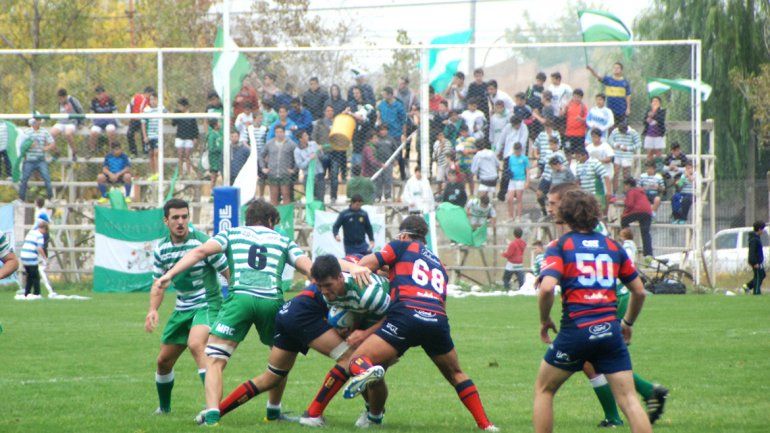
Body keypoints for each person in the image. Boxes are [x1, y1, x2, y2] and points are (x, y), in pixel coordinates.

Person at [153, 199, 312, 427]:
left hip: (240, 300)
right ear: (269, 221)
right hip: (271, 301)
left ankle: (212, 414)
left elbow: (200, 251)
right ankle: (273, 410)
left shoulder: (232, 233)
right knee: (280, 359)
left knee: (215, 360)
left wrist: (170, 274)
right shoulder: (283, 240)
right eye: (274, 223)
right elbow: (309, 268)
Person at [338, 216, 499, 432]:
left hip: (406, 314)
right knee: (456, 373)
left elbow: (364, 266)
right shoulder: (439, 263)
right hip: (437, 319)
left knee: (357, 359)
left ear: (404, 235)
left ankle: (371, 371)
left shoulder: (400, 244)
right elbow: (440, 298)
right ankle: (486, 424)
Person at [209, 256, 392, 428]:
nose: (325, 291)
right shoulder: (354, 280)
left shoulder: (358, 281)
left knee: (271, 377)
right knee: (350, 359)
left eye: (328, 285)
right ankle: (314, 414)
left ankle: (214, 413)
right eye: (321, 286)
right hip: (303, 314)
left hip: (288, 312)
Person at [543, 184, 669, 428]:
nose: (549, 207)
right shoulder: (591, 231)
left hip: (607, 299)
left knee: (588, 358)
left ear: (567, 205)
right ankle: (642, 395)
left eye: (553, 203)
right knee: (598, 359)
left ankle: (621, 409)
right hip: (609, 298)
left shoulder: (575, 237)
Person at [144, 199, 230, 414]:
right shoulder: (161, 249)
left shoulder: (202, 243)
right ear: (166, 221)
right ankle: (164, 409)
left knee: (196, 344)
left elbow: (227, 271)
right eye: (175, 217)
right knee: (163, 361)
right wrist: (152, 310)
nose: (181, 222)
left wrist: (237, 296)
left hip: (208, 304)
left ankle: (213, 406)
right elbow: (159, 284)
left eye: (184, 216)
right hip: (182, 308)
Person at [18, 118, 54, 201]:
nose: (38, 122)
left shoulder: (44, 131)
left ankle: (50, 197)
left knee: (47, 178)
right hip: (29, 160)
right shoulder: (27, 132)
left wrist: (46, 148)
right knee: (24, 179)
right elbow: (21, 144)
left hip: (40, 160)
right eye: (37, 121)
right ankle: (21, 198)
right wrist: (28, 145)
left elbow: (52, 143)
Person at [261, 125, 297, 205]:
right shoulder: (269, 143)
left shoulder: (291, 144)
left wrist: (294, 169)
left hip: (285, 174)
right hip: (273, 173)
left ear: (284, 133)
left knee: (286, 195)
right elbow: (261, 156)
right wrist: (263, 168)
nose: (279, 134)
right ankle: (274, 215)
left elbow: (297, 156)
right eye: (277, 132)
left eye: (281, 132)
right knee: (273, 196)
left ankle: (286, 215)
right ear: (274, 133)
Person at [376, 87, 407, 180]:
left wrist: (404, 134)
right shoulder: (382, 105)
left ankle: (402, 175)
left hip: (396, 134)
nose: (383, 96)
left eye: (384, 94)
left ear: (390, 95)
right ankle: (386, 175)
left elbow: (404, 121)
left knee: (398, 155)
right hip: (384, 134)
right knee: (385, 155)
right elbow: (378, 116)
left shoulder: (399, 106)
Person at [620, 178, 654, 257]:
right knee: (645, 233)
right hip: (647, 212)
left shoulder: (631, 191)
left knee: (624, 221)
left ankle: (627, 240)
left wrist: (624, 214)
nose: (624, 188)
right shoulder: (641, 191)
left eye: (625, 185)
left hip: (638, 211)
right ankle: (648, 255)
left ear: (628, 185)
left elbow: (630, 205)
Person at [313, 105, 340, 201]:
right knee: (321, 175)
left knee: (334, 176)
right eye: (328, 111)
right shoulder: (319, 123)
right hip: (322, 153)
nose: (330, 112)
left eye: (332, 110)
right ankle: (320, 197)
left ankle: (333, 197)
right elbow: (314, 138)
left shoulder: (337, 123)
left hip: (335, 153)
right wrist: (318, 148)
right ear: (324, 112)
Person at [51, 88, 84, 160]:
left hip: (71, 122)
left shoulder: (72, 100)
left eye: (61, 98)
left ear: (65, 96)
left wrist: (81, 123)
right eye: (59, 98)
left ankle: (74, 151)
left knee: (68, 134)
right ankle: (56, 151)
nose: (60, 100)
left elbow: (80, 110)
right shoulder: (60, 102)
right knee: (52, 133)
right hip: (61, 122)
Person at [347, 86, 376, 167]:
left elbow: (364, 118)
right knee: (355, 152)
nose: (355, 95)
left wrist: (351, 114)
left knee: (364, 153)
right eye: (354, 93)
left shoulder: (368, 104)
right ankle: (355, 172)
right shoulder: (351, 104)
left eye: (357, 93)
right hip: (355, 133)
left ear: (361, 93)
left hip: (366, 132)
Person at [609, 121, 642, 192]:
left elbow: (638, 144)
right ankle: (614, 191)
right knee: (615, 173)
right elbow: (610, 140)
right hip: (617, 154)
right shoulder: (615, 131)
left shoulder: (633, 132)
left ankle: (626, 192)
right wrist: (615, 145)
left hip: (627, 155)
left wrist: (628, 148)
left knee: (626, 174)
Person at [19, 220, 48, 300]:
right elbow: (39, 248)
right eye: (45, 230)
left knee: (30, 276)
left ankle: (27, 293)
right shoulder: (40, 235)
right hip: (30, 256)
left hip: (23, 255)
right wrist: (45, 258)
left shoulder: (31, 232)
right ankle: (37, 293)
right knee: (36, 276)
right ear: (44, 228)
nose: (45, 232)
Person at [171, 97, 199, 178]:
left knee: (187, 155)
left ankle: (189, 173)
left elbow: (195, 127)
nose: (179, 107)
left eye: (180, 106)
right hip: (180, 137)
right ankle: (181, 174)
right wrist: (175, 115)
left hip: (188, 138)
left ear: (185, 106)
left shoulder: (191, 115)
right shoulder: (178, 114)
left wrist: (195, 137)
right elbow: (173, 124)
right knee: (180, 155)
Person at [294, 131, 324, 201]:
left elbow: (321, 156)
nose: (307, 136)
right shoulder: (297, 151)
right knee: (311, 198)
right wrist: (309, 158)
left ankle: (320, 211)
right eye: (305, 135)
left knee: (320, 199)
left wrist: (320, 150)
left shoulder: (313, 144)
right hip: (308, 176)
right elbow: (301, 166)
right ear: (300, 139)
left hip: (319, 173)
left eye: (307, 135)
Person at [142, 92, 164, 180]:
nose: (153, 101)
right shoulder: (146, 110)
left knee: (156, 153)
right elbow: (143, 124)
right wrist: (145, 136)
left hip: (158, 136)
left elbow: (167, 115)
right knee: (151, 154)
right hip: (150, 136)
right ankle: (153, 173)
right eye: (151, 99)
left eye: (154, 99)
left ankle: (159, 173)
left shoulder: (161, 108)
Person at [586, 128, 615, 196]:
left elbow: (610, 158)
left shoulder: (605, 146)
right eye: (592, 136)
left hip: (606, 170)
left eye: (595, 136)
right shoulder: (589, 147)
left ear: (599, 137)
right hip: (593, 171)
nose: (594, 138)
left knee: (605, 190)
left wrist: (599, 161)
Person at [89, 85, 118, 151]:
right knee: (93, 132)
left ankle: (112, 150)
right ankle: (92, 150)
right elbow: (92, 113)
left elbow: (115, 112)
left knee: (110, 131)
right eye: (97, 94)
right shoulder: (94, 101)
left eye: (100, 94)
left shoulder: (110, 100)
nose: (99, 96)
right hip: (98, 122)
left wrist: (118, 123)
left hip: (109, 121)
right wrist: (91, 123)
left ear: (104, 93)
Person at [126, 86, 153, 155]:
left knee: (143, 133)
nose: (150, 96)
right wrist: (130, 116)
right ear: (147, 93)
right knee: (129, 133)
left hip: (143, 121)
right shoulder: (136, 97)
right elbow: (130, 106)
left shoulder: (150, 101)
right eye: (150, 94)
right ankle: (133, 152)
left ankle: (145, 151)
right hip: (135, 119)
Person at [374, 125, 398, 201]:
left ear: (387, 131)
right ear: (379, 131)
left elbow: (396, 150)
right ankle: (378, 196)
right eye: (381, 130)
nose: (383, 131)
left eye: (385, 130)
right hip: (378, 163)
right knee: (378, 180)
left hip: (388, 163)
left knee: (388, 180)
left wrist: (395, 160)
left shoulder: (391, 139)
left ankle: (388, 196)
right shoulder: (376, 139)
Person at [506, 142, 529, 220]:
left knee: (519, 198)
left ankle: (519, 216)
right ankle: (510, 216)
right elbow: (509, 168)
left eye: (518, 151)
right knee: (509, 199)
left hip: (520, 180)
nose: (517, 152)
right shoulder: (511, 158)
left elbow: (527, 170)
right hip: (512, 180)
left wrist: (527, 181)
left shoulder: (524, 158)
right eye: (516, 151)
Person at [742, 220, 766, 295]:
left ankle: (747, 286)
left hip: (758, 261)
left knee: (762, 274)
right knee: (758, 276)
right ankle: (756, 292)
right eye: (762, 229)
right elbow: (752, 252)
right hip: (755, 262)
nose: (763, 231)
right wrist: (754, 262)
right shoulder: (754, 239)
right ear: (759, 229)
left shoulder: (757, 238)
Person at [502, 227, 527, 291]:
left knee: (506, 278)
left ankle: (507, 290)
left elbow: (509, 254)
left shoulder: (513, 243)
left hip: (511, 264)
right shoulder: (523, 243)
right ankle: (522, 290)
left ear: (514, 234)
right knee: (521, 279)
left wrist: (503, 254)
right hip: (519, 264)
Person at [563, 89, 587, 153]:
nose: (576, 99)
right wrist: (563, 111)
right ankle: (569, 162)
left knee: (578, 152)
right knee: (567, 150)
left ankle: (577, 163)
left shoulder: (583, 107)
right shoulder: (569, 105)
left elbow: (587, 120)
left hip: (579, 135)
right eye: (575, 96)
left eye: (578, 97)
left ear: (581, 98)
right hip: (568, 134)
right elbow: (564, 114)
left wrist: (581, 119)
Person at [455, 126, 477, 195]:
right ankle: (463, 194)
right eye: (462, 132)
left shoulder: (473, 139)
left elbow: (477, 149)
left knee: (470, 179)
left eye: (465, 132)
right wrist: (461, 151)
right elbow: (455, 150)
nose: (464, 133)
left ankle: (472, 194)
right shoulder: (458, 140)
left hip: (470, 162)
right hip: (461, 162)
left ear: (467, 131)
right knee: (462, 179)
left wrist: (469, 151)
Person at [207, 120, 223, 190]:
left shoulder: (219, 133)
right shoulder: (211, 135)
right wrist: (219, 149)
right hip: (214, 159)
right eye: (219, 123)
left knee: (222, 175)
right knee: (214, 176)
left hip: (220, 158)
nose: (220, 124)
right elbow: (211, 148)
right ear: (215, 125)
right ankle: (212, 192)